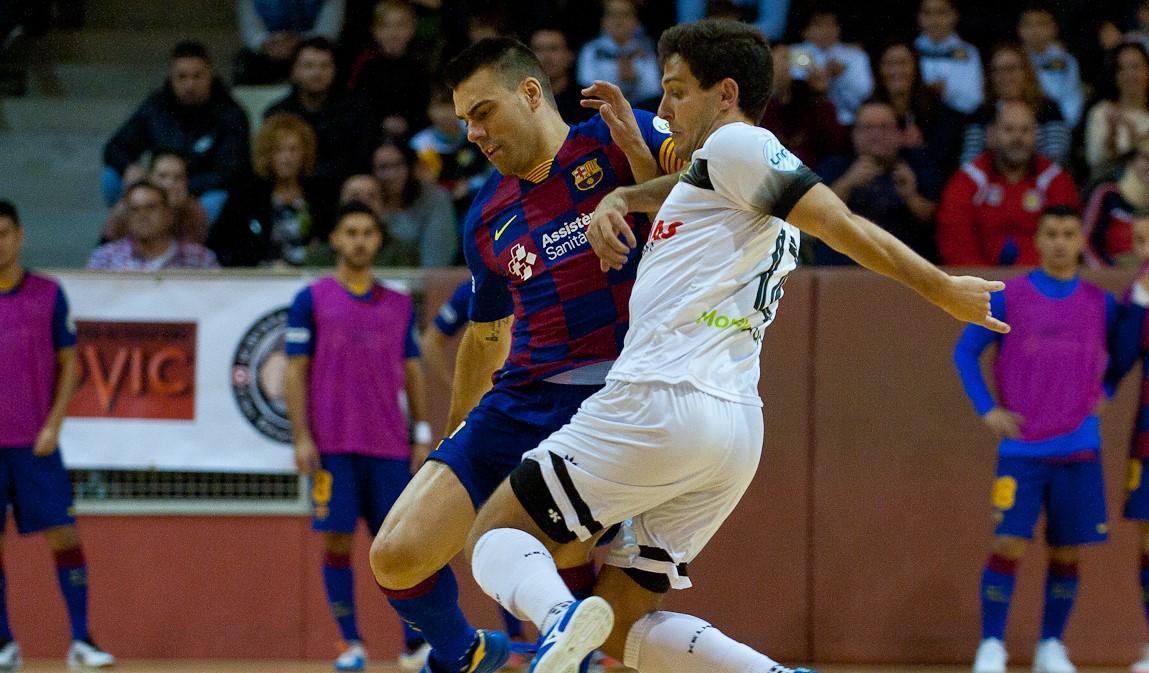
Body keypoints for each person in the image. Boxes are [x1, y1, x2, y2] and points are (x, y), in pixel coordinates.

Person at [462, 19, 1005, 673]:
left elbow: (841, 223)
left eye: (676, 91)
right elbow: (685, 185)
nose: (663, 109)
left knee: (495, 534)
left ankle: (556, 618)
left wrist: (940, 287)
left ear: (725, 94)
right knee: (623, 622)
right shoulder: (722, 172)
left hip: (660, 399)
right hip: (732, 430)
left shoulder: (740, 145)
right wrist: (625, 193)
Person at [366, 36, 680, 673]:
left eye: (483, 112)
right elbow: (486, 337)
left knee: (567, 561)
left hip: (618, 399)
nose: (474, 133)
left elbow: (717, 179)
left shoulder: (620, 135)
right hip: (519, 399)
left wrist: (635, 181)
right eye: (464, 121)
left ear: (531, 93)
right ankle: (467, 653)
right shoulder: (486, 214)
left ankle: (576, 653)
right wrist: (456, 434)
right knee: (395, 556)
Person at [954, 206, 1121, 673]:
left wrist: (1107, 392)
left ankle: (1050, 647)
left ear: (1082, 240)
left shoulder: (1101, 303)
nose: (1061, 242)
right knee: (1009, 542)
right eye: (1052, 233)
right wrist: (987, 409)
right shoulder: (1011, 297)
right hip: (1022, 451)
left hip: (1080, 448)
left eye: (1069, 233)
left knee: (1067, 551)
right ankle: (992, 645)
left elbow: (1128, 352)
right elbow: (965, 352)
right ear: (1039, 239)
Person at [285, 200, 433, 672]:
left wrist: (422, 432)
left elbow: (413, 370)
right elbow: (294, 371)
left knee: (399, 549)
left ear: (378, 240)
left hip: (389, 446)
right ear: (334, 239)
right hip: (332, 446)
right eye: (350, 232)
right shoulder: (311, 300)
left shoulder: (400, 304)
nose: (359, 240)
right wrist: (301, 437)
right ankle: (349, 642)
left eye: (368, 232)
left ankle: (415, 643)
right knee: (336, 544)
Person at [0, 200, 116, 670]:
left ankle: (81, 640)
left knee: (65, 535)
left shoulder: (48, 293)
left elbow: (70, 362)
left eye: (3, 233)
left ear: (20, 236)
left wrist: (54, 422)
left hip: (35, 441)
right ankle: (4, 643)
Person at [102, 40, 251, 224]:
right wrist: (129, 167)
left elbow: (232, 171)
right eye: (182, 77)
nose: (190, 84)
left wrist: (180, 185)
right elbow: (114, 147)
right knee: (111, 178)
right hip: (159, 182)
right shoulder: (157, 106)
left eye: (197, 76)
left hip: (200, 190)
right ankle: (126, 236)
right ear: (171, 78)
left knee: (215, 200)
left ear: (210, 75)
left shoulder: (230, 113)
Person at [936, 101, 1080, 266]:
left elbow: (1064, 239)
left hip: (1038, 278)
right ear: (991, 135)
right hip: (978, 277)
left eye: (1025, 130)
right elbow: (954, 238)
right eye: (1009, 129)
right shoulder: (968, 178)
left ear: (1036, 135)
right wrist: (983, 278)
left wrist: (1023, 279)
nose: (1017, 138)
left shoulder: (1055, 179)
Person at [815, 99, 942, 264]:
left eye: (885, 127)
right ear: (853, 134)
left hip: (904, 264)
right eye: (867, 128)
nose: (876, 135)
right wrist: (847, 183)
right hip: (844, 265)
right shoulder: (834, 166)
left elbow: (935, 220)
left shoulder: (918, 164)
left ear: (899, 133)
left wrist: (910, 196)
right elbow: (816, 216)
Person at [210, 113, 332, 267]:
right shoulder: (246, 195)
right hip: (261, 276)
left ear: (305, 153)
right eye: (279, 150)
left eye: (293, 150)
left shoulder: (320, 194)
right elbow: (222, 244)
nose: (287, 158)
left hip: (310, 275)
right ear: (267, 154)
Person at [264, 37, 373, 190]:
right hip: (292, 190)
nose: (317, 73)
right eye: (308, 66)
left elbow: (361, 161)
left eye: (324, 66)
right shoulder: (277, 114)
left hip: (341, 190)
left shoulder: (356, 110)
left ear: (334, 70)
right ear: (294, 71)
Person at [958, 43, 1070, 166]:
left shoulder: (1048, 109)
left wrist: (1010, 151)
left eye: (1011, 69)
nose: (1004, 76)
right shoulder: (981, 114)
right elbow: (969, 163)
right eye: (997, 70)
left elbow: (1056, 159)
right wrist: (991, 154)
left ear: (1026, 71)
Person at [871, 40, 964, 172]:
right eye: (889, 64)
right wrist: (897, 143)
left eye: (903, 63)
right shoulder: (870, 110)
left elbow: (945, 158)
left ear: (916, 68)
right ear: (879, 69)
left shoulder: (937, 109)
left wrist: (920, 148)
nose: (896, 70)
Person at [88, 181, 220, 271]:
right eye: (134, 209)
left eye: (151, 207)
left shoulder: (201, 259)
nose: (142, 215)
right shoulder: (105, 258)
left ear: (168, 213)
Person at [347, 0, 430, 140]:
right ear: (375, 31)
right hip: (371, 134)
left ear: (412, 29)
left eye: (400, 25)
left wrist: (407, 123)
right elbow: (357, 103)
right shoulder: (366, 66)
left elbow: (424, 104)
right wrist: (381, 122)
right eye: (385, 26)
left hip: (412, 134)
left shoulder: (420, 66)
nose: (393, 33)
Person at [759, 43, 848, 170]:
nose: (789, 65)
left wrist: (819, 95)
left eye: (792, 58)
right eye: (784, 59)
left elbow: (835, 144)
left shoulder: (818, 105)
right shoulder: (764, 106)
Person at [411, 86, 494, 221]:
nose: (445, 113)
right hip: (441, 206)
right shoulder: (421, 144)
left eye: (450, 106)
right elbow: (424, 183)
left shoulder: (476, 132)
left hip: (481, 197)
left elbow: (492, 170)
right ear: (429, 111)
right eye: (438, 107)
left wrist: (470, 185)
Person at [371, 140, 458, 267]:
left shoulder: (435, 198)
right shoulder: (366, 195)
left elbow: (436, 261)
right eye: (383, 167)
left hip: (422, 277)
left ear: (410, 167)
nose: (391, 174)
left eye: (398, 165)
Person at [102, 152, 209, 244]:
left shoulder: (193, 211)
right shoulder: (129, 205)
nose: (170, 183)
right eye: (162, 176)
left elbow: (193, 251)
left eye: (178, 178)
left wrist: (174, 210)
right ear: (149, 177)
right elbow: (109, 244)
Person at [789, 7, 873, 125]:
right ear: (805, 31)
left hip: (848, 121)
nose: (825, 30)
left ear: (839, 29)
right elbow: (790, 87)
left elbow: (865, 92)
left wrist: (841, 77)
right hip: (804, 121)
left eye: (830, 25)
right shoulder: (793, 52)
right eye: (818, 25)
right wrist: (820, 78)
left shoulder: (856, 56)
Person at [235, 0, 345, 84]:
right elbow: (251, 30)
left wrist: (299, 43)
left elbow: (328, 30)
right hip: (270, 47)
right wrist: (266, 44)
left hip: (311, 45)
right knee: (247, 60)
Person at [1084, 41, 1149, 183]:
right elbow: (1094, 162)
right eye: (1121, 69)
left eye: (1135, 67)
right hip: (1112, 190)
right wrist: (1111, 137)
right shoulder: (1102, 112)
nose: (1129, 75)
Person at [576, 0, 662, 106]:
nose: (619, 20)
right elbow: (585, 87)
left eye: (625, 15)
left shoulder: (646, 48)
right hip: (602, 109)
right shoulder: (591, 50)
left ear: (636, 21)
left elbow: (654, 90)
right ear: (603, 21)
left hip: (641, 108)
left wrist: (634, 81)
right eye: (612, 14)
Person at [1083, 135, 1149, 267]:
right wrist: (1110, 273)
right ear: (1131, 160)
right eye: (1146, 157)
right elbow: (1087, 242)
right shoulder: (1107, 194)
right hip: (1113, 272)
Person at [1018, 3, 1085, 128]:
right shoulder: (1014, 59)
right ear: (1019, 29)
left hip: (1057, 124)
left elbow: (1072, 99)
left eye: (1041, 24)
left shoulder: (1066, 60)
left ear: (1054, 28)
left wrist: (1063, 126)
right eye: (1028, 24)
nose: (1034, 31)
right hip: (1019, 123)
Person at [914, 0, 984, 115]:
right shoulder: (912, 50)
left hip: (959, 119)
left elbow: (975, 99)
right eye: (927, 13)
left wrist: (946, 90)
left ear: (954, 15)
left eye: (941, 12)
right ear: (919, 17)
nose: (934, 20)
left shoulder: (968, 52)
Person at [530, 28, 594, 124]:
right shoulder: (519, 100)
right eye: (538, 49)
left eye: (553, 49)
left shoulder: (588, 102)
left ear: (570, 55)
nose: (546, 57)